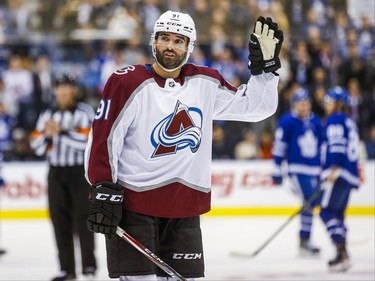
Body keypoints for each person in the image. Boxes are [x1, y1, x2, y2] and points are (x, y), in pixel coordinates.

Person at [84, 11, 283, 280]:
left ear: (189, 47)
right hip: (134, 208)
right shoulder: (125, 82)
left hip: (184, 209)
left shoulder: (205, 81)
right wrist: (102, 189)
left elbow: (256, 107)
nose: (170, 46)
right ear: (153, 42)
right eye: (165, 38)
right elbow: (104, 139)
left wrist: (266, 71)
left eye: (179, 40)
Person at [30, 73, 97, 281]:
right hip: (56, 172)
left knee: (83, 219)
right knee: (59, 221)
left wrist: (61, 133)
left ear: (74, 90)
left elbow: (87, 142)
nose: (62, 91)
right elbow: (36, 145)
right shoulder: (47, 113)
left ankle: (89, 266)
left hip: (78, 172)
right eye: (59, 87)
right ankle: (66, 269)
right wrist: (47, 136)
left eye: (66, 87)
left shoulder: (84, 112)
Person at [271, 87, 323, 256]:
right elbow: (280, 145)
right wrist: (277, 168)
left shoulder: (316, 122)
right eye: (300, 102)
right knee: (309, 201)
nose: (303, 105)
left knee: (311, 204)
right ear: (294, 104)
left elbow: (323, 146)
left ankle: (305, 240)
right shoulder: (288, 121)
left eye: (306, 102)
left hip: (315, 170)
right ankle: (304, 240)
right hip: (297, 169)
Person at [320, 86, 360, 272]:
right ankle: (341, 253)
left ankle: (342, 250)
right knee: (338, 215)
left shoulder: (335, 119)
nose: (327, 105)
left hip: (339, 173)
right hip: (350, 174)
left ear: (339, 104)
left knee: (327, 213)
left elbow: (336, 145)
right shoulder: (350, 121)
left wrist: (332, 170)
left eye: (329, 101)